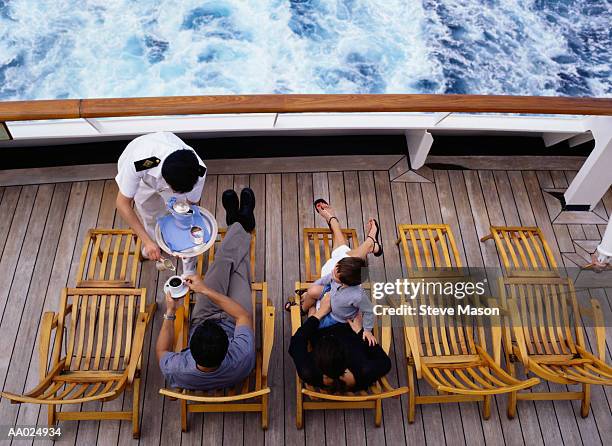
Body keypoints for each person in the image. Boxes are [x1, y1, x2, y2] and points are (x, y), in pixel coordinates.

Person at [156, 188, 257, 390]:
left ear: (190, 351)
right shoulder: (240, 355)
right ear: (228, 348)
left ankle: (238, 224)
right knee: (236, 268)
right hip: (235, 320)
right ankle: (240, 225)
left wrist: (170, 312)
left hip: (204, 316)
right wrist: (203, 290)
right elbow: (243, 317)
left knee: (223, 264)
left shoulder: (178, 369)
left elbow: (161, 351)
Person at [286, 199, 383, 345]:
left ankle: (366, 241)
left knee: (342, 252)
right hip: (332, 291)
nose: (333, 272)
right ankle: (370, 243)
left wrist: (367, 330)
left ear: (344, 282)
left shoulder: (357, 295)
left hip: (336, 315)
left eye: (335, 275)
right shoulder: (338, 273)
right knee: (340, 257)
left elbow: (369, 310)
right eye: (336, 268)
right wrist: (310, 290)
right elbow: (325, 280)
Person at [115, 131, 207, 274]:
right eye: (175, 190)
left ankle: (189, 263)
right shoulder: (141, 162)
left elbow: (192, 205)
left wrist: (187, 225)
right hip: (142, 182)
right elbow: (122, 204)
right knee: (151, 217)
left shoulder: (198, 171)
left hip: (177, 178)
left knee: (182, 212)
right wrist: (146, 241)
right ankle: (153, 244)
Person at [289, 294, 392, 392]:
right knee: (348, 293)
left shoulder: (309, 372)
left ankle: (311, 300)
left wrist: (319, 313)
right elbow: (385, 362)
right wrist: (360, 331)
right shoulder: (364, 371)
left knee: (320, 296)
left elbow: (296, 342)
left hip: (321, 325)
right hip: (350, 324)